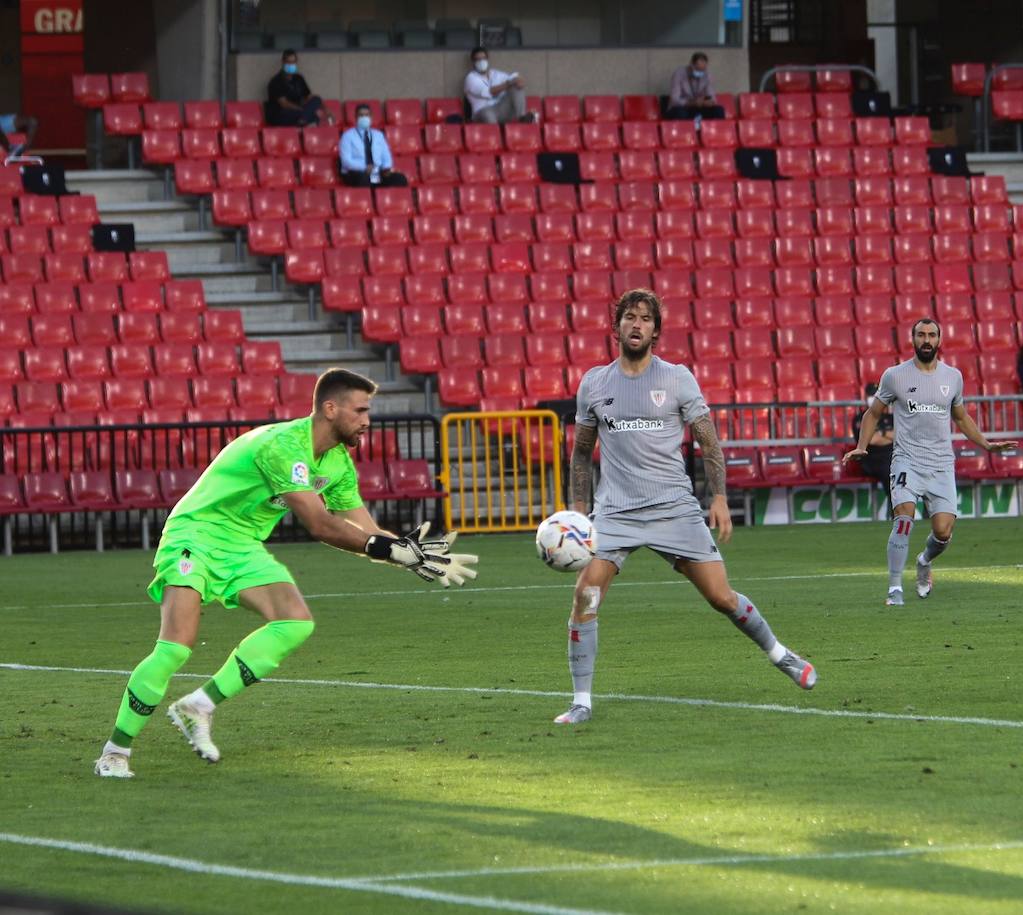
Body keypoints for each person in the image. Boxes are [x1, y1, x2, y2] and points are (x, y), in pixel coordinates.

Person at [93, 369, 478, 778]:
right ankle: (114, 753)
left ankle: (198, 706)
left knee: (294, 622)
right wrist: (388, 550)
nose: (368, 420)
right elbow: (320, 523)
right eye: (361, 410)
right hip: (195, 533)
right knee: (176, 648)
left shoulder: (337, 463)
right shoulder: (283, 445)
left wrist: (412, 554)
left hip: (240, 545)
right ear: (330, 409)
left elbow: (365, 531)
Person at [556, 289, 817, 725]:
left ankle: (781, 655)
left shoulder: (677, 379)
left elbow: (708, 441)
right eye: (629, 317)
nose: (636, 325)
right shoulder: (594, 384)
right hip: (616, 513)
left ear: (656, 330)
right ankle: (581, 701)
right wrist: (579, 514)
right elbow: (582, 454)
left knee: (721, 597)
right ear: (616, 326)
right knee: (585, 593)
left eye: (644, 319)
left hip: (674, 508)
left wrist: (717, 497)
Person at [846, 319, 1014, 605]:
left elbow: (961, 417)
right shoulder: (895, 376)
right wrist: (862, 446)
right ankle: (894, 588)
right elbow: (873, 413)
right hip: (906, 460)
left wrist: (986, 443)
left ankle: (924, 561)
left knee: (943, 531)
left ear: (939, 340)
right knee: (903, 518)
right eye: (921, 335)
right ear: (912, 339)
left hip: (940, 464)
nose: (926, 339)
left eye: (931, 335)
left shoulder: (953, 377)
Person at [338, 104, 407, 187]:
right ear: (356, 117)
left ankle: (385, 199)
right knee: (364, 178)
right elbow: (346, 161)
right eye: (361, 115)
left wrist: (386, 168)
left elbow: (386, 155)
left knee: (400, 178)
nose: (364, 118)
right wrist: (364, 167)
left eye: (367, 115)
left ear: (371, 117)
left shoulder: (378, 135)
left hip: (376, 172)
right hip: (356, 172)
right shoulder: (347, 136)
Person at [464, 47, 535, 125]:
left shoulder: (495, 74)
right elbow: (489, 92)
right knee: (488, 115)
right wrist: (509, 83)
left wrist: (518, 80)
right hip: (482, 111)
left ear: (487, 60)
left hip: (500, 109)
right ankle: (496, 135)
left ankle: (522, 117)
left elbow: (513, 77)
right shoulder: (470, 78)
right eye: (478, 59)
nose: (481, 62)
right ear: (473, 62)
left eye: (484, 58)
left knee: (516, 87)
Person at [264, 49, 335, 127]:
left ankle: (303, 121)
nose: (291, 64)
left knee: (316, 99)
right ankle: (304, 120)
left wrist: (325, 109)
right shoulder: (275, 81)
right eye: (289, 62)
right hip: (281, 114)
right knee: (313, 116)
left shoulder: (299, 78)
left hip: (299, 113)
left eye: (293, 62)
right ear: (283, 62)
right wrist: (304, 111)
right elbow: (285, 104)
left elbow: (310, 97)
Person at [851, 382, 894, 496]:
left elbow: (900, 436)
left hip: (892, 456)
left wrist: (882, 433)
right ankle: (896, 509)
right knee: (889, 470)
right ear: (865, 397)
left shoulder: (890, 417)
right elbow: (872, 440)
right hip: (871, 459)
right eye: (871, 396)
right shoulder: (860, 418)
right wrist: (890, 436)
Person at [665, 52, 725, 121]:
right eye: (698, 69)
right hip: (681, 108)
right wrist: (691, 103)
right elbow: (674, 100)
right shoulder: (679, 74)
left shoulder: (707, 75)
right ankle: (685, 131)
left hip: (698, 107)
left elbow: (712, 97)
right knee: (681, 113)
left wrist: (708, 102)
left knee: (719, 110)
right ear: (691, 65)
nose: (701, 72)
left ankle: (715, 131)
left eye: (703, 70)